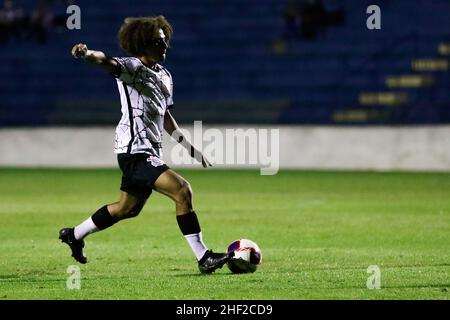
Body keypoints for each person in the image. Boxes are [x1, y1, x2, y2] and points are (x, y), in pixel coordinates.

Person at [59, 16, 232, 274]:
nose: (164, 47)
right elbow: (105, 60)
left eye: (164, 42)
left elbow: (165, 117)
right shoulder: (131, 68)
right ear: (142, 44)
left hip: (150, 150)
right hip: (133, 151)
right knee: (182, 190)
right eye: (157, 42)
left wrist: (190, 148)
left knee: (127, 209)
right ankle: (203, 256)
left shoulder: (165, 75)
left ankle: (74, 234)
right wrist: (86, 54)